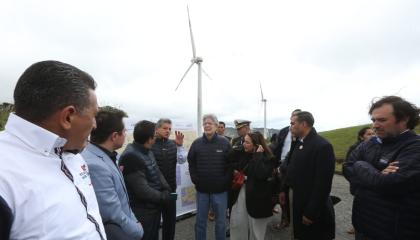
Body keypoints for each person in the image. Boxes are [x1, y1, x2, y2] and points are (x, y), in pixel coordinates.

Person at [0, 60, 106, 239]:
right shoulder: (5, 178)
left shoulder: (71, 151)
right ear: (68, 116)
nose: (95, 125)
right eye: (94, 115)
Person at [343, 96, 420, 240]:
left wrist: (360, 165)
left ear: (404, 119)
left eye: (382, 120)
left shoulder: (415, 147)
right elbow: (347, 167)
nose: (375, 125)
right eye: (373, 120)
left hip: (394, 232)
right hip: (362, 228)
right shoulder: (370, 143)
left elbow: (390, 184)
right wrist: (376, 174)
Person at [81, 106, 143, 239]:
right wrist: (137, 230)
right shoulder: (95, 165)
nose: (125, 135)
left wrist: (134, 219)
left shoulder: (107, 156)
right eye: (124, 131)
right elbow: (112, 214)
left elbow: (122, 199)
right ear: (114, 136)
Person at [283, 111, 336, 240]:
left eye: (292, 123)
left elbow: (322, 185)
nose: (290, 127)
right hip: (296, 199)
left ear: (304, 124)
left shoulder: (322, 146)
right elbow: (288, 167)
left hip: (308, 205)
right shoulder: (299, 143)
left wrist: (311, 212)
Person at [119, 120, 173, 240]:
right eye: (154, 136)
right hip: (143, 212)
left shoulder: (147, 151)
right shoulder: (130, 156)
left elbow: (157, 172)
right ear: (149, 139)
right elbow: (142, 190)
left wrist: (166, 188)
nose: (156, 138)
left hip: (153, 208)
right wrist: (164, 197)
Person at [188, 114, 231, 240]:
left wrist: (225, 181)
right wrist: (195, 179)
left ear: (216, 126)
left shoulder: (225, 143)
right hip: (202, 191)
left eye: (210, 123)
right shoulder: (196, 143)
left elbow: (230, 165)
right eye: (205, 123)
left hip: (220, 191)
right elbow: (191, 161)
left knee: (221, 223)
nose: (207, 125)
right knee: (200, 222)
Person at [229, 131, 276, 240]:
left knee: (256, 230)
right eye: (243, 141)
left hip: (259, 198)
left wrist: (258, 155)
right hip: (242, 192)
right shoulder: (244, 154)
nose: (243, 144)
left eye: (247, 142)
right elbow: (234, 163)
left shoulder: (268, 158)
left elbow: (261, 174)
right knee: (237, 223)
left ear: (257, 145)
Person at [151, 118, 187, 240]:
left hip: (171, 189)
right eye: (165, 128)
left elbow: (182, 160)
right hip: (154, 190)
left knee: (170, 222)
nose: (168, 131)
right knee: (153, 223)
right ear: (157, 129)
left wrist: (180, 145)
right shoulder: (150, 144)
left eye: (170, 129)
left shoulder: (173, 143)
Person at [343, 126, 374, 235]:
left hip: (372, 183)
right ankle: (356, 226)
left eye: (373, 134)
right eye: (369, 134)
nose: (372, 136)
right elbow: (347, 166)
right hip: (359, 184)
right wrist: (357, 181)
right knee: (359, 206)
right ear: (361, 137)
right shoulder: (355, 148)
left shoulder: (376, 147)